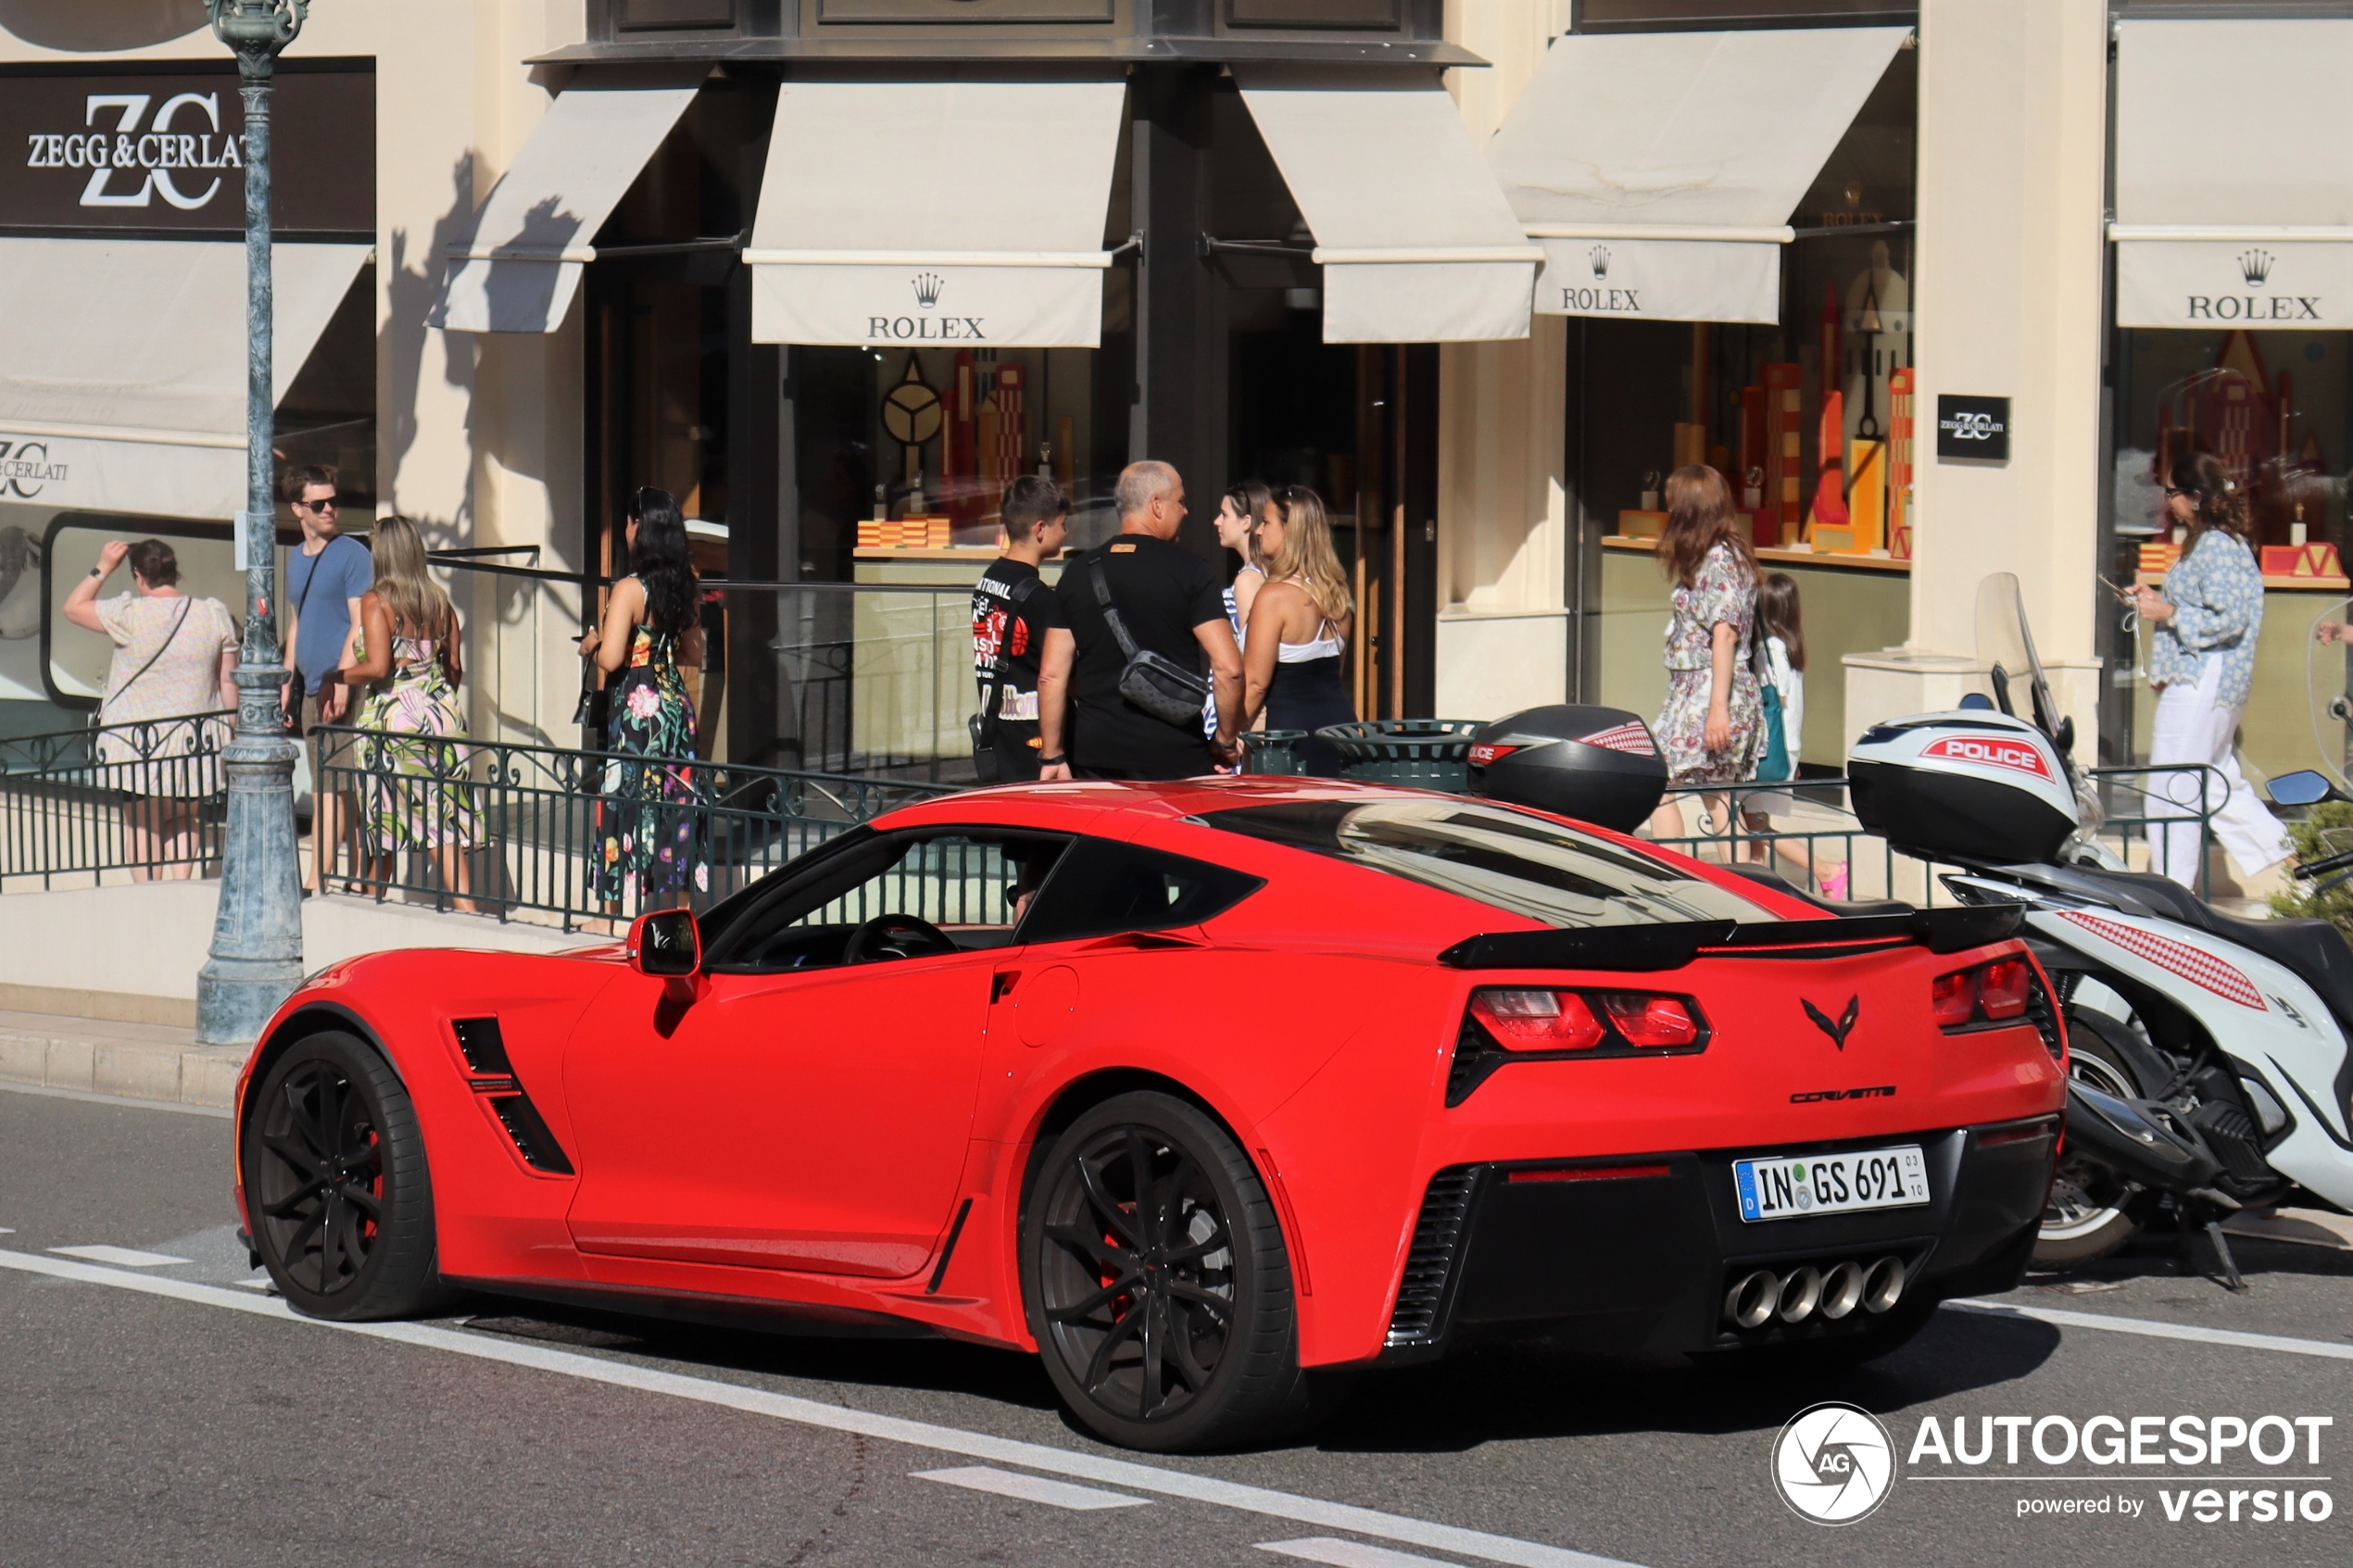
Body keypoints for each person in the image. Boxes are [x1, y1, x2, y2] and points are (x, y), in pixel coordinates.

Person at [2123, 453, 2292, 888]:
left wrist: (2167, 612)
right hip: (2208, 677)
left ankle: (2172, 890)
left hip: (2204, 677)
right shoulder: (2211, 541)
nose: (2167, 501)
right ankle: (2299, 867)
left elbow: (2229, 618)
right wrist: (2157, 599)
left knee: (2172, 785)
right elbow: (2207, 605)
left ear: (2195, 497)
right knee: (2216, 782)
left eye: (2172, 492)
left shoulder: (2216, 544)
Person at [1038, 461, 1242, 781]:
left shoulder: (1077, 573)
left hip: (1097, 759)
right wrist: (1225, 741)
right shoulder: (1191, 571)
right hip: (1175, 759)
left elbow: (1051, 676)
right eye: (1181, 501)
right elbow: (1230, 670)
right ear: (1157, 506)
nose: (1185, 512)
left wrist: (1052, 755)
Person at [325, 516, 480, 913]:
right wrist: (434, 700)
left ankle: (374, 905)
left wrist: (336, 675)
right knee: (439, 818)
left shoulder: (377, 601)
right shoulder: (439, 602)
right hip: (443, 716)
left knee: (387, 818)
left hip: (394, 719)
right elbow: (455, 667)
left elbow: (377, 668)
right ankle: (375, 897)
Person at [63, 538, 238, 881]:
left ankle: (148, 897)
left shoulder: (129, 615)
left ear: (139, 576)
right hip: (195, 740)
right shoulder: (212, 614)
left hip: (136, 742)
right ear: (175, 573)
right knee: (184, 818)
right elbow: (227, 681)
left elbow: (73, 607)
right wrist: (230, 731)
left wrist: (102, 567)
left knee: (144, 824)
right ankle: (180, 887)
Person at [582, 487, 707, 909]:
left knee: (626, 797)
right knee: (676, 802)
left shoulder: (629, 589)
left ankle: (613, 914)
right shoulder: (686, 584)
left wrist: (590, 645)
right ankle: (679, 911)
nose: (624, 529)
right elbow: (693, 653)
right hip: (674, 705)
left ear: (640, 528)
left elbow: (612, 658)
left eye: (629, 521)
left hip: (639, 708)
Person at [1645, 465, 1762, 846]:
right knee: (1719, 797)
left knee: (1654, 776)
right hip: (1704, 689)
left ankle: (1675, 876)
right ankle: (1741, 890)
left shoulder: (1719, 559)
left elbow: (1724, 635)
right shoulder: (1723, 555)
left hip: (1707, 690)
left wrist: (1718, 708)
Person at [279, 464, 371, 893]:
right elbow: (296, 624)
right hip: (313, 686)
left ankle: (320, 879)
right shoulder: (296, 559)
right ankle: (350, 872)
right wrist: (285, 684)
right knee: (330, 783)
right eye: (320, 504)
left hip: (342, 686)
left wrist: (342, 679)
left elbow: (359, 624)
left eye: (334, 500)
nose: (331, 509)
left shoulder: (352, 553)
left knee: (333, 786)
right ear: (299, 509)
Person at [1737, 571, 1849, 897]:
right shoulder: (1792, 650)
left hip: (1767, 751)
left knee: (1753, 825)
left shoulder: (1767, 651)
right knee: (1754, 824)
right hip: (1786, 748)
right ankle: (1757, 887)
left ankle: (1826, 870)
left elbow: (1758, 702)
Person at [1239, 485, 1357, 775]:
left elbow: (1256, 684)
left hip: (1290, 741)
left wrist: (1229, 736)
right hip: (1342, 731)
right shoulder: (1337, 594)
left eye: (1266, 523)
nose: (1258, 531)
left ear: (1289, 530)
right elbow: (1333, 674)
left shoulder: (1273, 597)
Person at [970, 475, 1070, 784]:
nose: (1065, 533)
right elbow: (1054, 673)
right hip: (1034, 744)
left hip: (999, 736)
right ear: (1040, 529)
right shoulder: (1040, 599)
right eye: (1062, 524)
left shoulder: (987, 582)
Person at [1206, 481, 1271, 759]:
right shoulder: (1266, 573)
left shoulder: (1248, 579)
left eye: (1224, 514)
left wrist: (1234, 727)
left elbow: (1252, 657)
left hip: (1245, 712)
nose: (1216, 521)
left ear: (1246, 522)